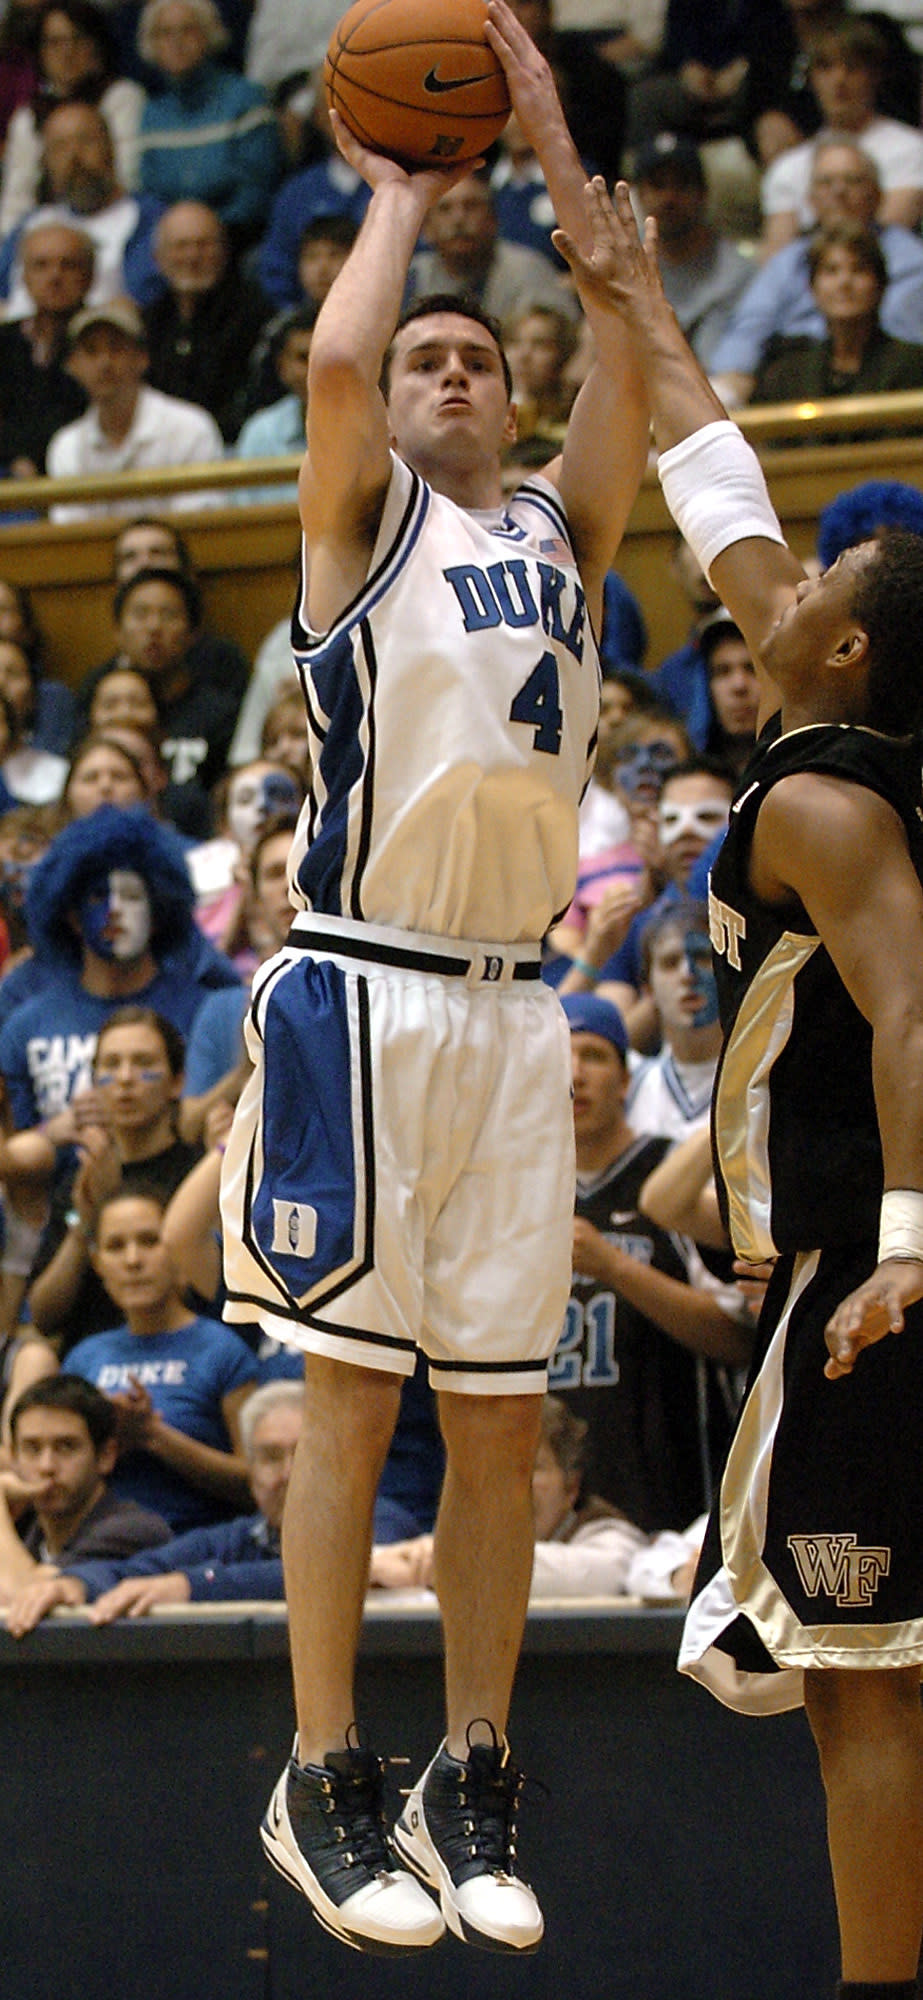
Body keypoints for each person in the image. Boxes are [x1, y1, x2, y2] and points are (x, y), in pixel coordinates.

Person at [219, 0, 649, 1958]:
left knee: (494, 1425)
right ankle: (319, 1771)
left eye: (482, 354)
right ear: (391, 409)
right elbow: (326, 351)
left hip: (507, 1009)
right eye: (429, 360)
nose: (454, 368)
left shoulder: (562, 526)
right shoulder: (359, 525)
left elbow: (627, 351)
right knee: (349, 1401)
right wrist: (393, 187)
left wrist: (550, 147)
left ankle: (463, 1768)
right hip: (359, 991)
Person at [555, 165, 923, 1999]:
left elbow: (921, 1017)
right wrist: (622, 280)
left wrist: (909, 1245)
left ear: (838, 648)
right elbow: (719, 483)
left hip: (871, 1279)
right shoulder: (827, 722)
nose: (764, 595)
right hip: (843, 1278)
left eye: (815, 586)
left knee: (867, 1697)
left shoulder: (822, 804)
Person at [555, 991, 748, 1529]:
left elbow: (739, 1338)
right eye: (558, 1057)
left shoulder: (673, 1179)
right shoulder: (517, 1191)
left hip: (680, 1490)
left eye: (594, 1056)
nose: (575, 1073)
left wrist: (617, 1269)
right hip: (551, 1499)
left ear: (626, 1081)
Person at [3, 1373, 302, 1632]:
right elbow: (138, 1570)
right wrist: (74, 1585)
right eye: (271, 1458)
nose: (288, 1474)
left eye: (305, 1456)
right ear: (250, 1473)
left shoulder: (135, 1527)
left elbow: (308, 1576)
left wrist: (191, 1586)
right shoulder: (235, 1539)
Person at [66, 1186, 257, 1530]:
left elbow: (258, 1483)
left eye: (149, 1241)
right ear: (97, 1264)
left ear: (175, 1250)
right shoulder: (82, 1358)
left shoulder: (223, 1349)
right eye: (115, 1246)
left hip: (201, 1540)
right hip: (97, 1542)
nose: (133, 1260)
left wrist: (154, 1435)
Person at [26, 1004, 200, 1355]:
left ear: (177, 1081)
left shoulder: (200, 1176)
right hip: (90, 1361)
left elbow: (209, 1297)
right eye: (111, 1065)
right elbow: (43, 1315)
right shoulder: (82, 1176)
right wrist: (86, 1223)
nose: (124, 1079)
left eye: (143, 1064)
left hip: (187, 1352)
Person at [369, 1391, 649, 1599]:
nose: (514, 1485)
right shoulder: (448, 1537)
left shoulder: (609, 1535)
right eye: (496, 1468)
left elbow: (602, 1574)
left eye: (532, 1468)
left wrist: (451, 1563)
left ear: (571, 1487)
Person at [709, 139, 923, 410]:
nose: (839, 191)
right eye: (826, 183)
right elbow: (747, 333)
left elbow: (903, 336)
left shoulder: (910, 257)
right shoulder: (788, 261)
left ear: (877, 194)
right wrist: (729, 387)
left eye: (853, 181)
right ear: (810, 200)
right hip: (798, 378)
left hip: (885, 379)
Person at [46, 295, 224, 523]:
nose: (104, 363)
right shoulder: (66, 446)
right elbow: (74, 538)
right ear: (72, 366)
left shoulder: (190, 427)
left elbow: (199, 525)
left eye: (116, 348)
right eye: (91, 351)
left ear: (142, 358)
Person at [0, 1372, 171, 1605]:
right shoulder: (25, 1532)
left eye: (66, 1447)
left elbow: (24, 1604)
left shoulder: (134, 1530)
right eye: (32, 1449)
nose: (46, 1466)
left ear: (105, 1456)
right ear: (14, 1458)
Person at [760, 19, 923, 257]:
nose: (839, 80)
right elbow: (775, 260)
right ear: (811, 78)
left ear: (875, 75)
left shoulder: (912, 151)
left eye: (852, 67)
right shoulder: (788, 167)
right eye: (826, 67)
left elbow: (883, 243)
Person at [134, 0, 284, 245]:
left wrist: (205, 232)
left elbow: (257, 190)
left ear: (209, 35)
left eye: (188, 30)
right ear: (151, 44)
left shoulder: (244, 98)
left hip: (239, 238)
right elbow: (151, 193)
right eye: (165, 33)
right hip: (174, 243)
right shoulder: (152, 113)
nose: (177, 42)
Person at [0, 100, 165, 319]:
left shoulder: (150, 220)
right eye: (60, 146)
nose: (74, 156)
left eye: (85, 141)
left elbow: (147, 302)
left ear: (110, 148)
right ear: (46, 162)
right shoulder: (29, 224)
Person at [0, 0, 145, 241]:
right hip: (44, 234)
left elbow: (127, 177)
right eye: (55, 43)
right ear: (41, 52)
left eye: (77, 39)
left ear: (96, 45)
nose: (67, 52)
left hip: (112, 224)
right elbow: (17, 197)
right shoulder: (28, 116)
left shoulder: (121, 97)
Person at [751, 220, 923, 411]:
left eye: (858, 270)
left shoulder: (914, 366)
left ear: (880, 285)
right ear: (812, 287)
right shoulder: (787, 376)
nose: (844, 282)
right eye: (831, 271)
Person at [142, 200, 270, 440]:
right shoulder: (149, 322)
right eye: (181, 246)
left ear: (224, 251)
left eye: (204, 245)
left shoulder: (256, 316)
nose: (192, 257)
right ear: (157, 257)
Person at [631, 132, 751, 371]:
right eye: (658, 185)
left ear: (703, 194)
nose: (669, 198)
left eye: (681, 185)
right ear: (639, 195)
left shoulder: (738, 273)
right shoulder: (624, 269)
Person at [405, 168, 579, 326]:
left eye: (471, 206)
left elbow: (568, 340)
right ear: (426, 228)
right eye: (445, 209)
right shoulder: (412, 278)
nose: (458, 219)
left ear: (493, 220)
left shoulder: (530, 270)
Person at [0, 220, 93, 480]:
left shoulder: (104, 345)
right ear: (24, 277)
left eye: (68, 265)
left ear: (89, 275)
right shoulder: (5, 341)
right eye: (41, 265)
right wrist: (16, 457)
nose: (55, 276)